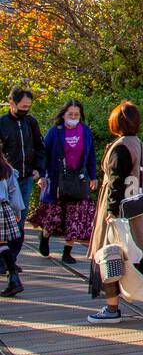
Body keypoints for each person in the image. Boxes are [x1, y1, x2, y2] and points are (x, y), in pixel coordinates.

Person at [86, 100, 143, 324]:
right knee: (138, 253)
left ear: (117, 122)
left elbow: (116, 181)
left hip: (119, 210)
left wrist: (111, 212)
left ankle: (112, 308)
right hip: (138, 208)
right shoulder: (138, 144)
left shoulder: (121, 146)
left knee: (109, 256)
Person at [31, 100, 98, 264]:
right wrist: (42, 175)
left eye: (76, 115)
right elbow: (44, 154)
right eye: (70, 114)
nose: (73, 117)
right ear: (63, 115)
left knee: (75, 218)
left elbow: (91, 156)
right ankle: (45, 236)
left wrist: (93, 176)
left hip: (77, 180)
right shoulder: (55, 131)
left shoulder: (85, 131)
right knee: (53, 217)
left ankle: (67, 251)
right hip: (56, 180)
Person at [0, 85, 46, 273]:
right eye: (23, 106)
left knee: (19, 221)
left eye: (28, 107)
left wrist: (39, 169)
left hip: (26, 178)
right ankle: (4, 260)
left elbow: (39, 146)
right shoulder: (2, 122)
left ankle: (12, 259)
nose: (25, 110)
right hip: (5, 179)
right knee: (4, 221)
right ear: (12, 102)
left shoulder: (31, 123)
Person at [0, 149, 25, 297]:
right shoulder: (6, 168)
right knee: (2, 244)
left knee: (1, 244)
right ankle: (14, 278)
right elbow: (13, 191)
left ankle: (14, 279)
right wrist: (17, 211)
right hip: (4, 207)